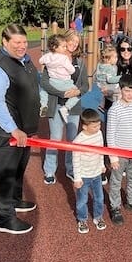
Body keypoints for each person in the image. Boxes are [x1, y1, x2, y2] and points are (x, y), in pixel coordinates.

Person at [0, 24, 40, 234]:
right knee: (4, 173)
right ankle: (4, 219)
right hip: (6, 134)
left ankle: (14, 200)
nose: (22, 46)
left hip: (24, 130)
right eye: (17, 43)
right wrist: (13, 129)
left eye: (24, 42)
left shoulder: (25, 60)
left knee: (18, 169)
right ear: (5, 42)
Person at [41, 29, 89, 185]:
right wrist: (62, 94)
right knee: (55, 138)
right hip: (56, 103)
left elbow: (85, 85)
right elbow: (44, 83)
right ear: (64, 41)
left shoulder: (80, 62)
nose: (74, 44)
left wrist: (77, 91)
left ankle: (70, 168)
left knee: (72, 139)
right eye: (72, 41)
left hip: (73, 106)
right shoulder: (53, 60)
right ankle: (49, 170)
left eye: (77, 42)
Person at [106, 74, 132, 226]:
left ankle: (131, 201)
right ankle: (115, 207)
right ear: (120, 90)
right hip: (120, 154)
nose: (130, 94)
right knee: (116, 181)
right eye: (127, 91)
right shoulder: (114, 110)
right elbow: (110, 134)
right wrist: (113, 157)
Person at [72, 108, 107, 234]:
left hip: (96, 173)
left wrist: (102, 164)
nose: (98, 128)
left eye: (99, 125)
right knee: (82, 199)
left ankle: (98, 217)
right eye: (94, 126)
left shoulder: (99, 134)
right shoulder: (78, 142)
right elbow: (75, 161)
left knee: (99, 197)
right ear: (84, 127)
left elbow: (101, 150)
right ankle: (82, 219)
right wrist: (77, 178)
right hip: (84, 176)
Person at [39, 34, 79, 122]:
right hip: (65, 83)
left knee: (43, 90)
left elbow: (40, 61)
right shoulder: (64, 58)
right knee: (77, 93)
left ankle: (43, 104)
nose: (65, 48)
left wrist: (49, 62)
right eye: (64, 46)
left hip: (53, 81)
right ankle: (66, 108)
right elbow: (72, 70)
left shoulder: (48, 56)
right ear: (55, 47)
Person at [95, 45, 122, 111]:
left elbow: (97, 75)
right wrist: (121, 77)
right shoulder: (109, 68)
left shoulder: (100, 65)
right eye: (115, 57)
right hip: (109, 86)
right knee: (120, 92)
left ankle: (102, 105)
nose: (117, 59)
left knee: (107, 96)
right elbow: (110, 79)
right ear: (108, 59)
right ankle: (118, 106)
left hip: (102, 85)